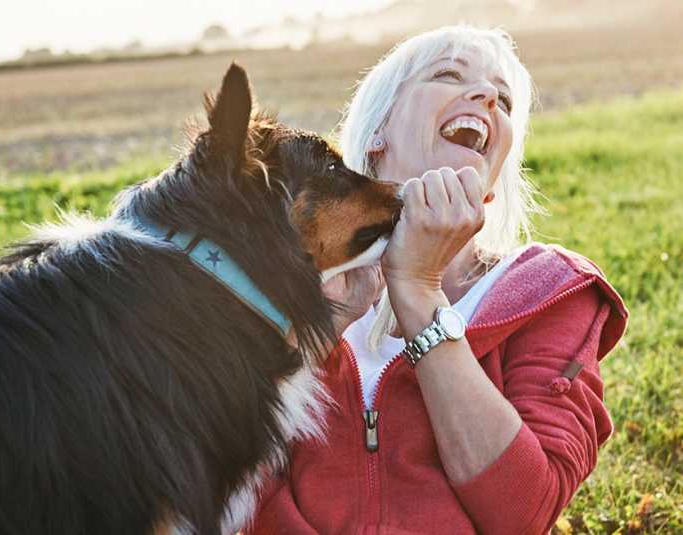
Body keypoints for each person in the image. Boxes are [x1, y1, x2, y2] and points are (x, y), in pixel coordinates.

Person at [248, 26, 627, 534]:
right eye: (449, 75)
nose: (488, 96)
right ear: (378, 131)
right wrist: (325, 325)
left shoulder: (550, 292)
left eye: (505, 100)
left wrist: (419, 290)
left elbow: (523, 511)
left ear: (493, 182)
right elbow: (236, 477)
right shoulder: (295, 287)